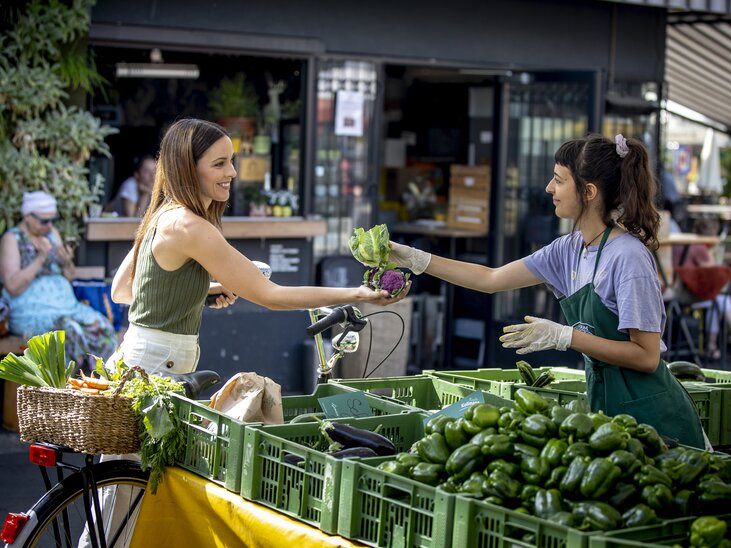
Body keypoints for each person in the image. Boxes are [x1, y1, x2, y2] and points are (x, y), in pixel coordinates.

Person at [389, 133, 706, 449]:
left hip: (660, 426)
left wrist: (566, 337)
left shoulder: (628, 258)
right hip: (612, 419)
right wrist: (417, 259)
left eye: (558, 180)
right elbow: (490, 279)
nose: (548, 189)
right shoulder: (568, 249)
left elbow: (648, 357)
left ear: (589, 192)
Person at [108, 118, 408, 376]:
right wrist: (357, 294)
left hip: (143, 361)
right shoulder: (190, 227)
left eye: (232, 161)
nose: (233, 173)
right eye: (219, 164)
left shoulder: (162, 214)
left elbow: (122, 291)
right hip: (154, 368)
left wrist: (200, 290)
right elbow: (272, 296)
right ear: (188, 169)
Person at [0, 191, 117, 368]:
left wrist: (66, 262)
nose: (49, 225)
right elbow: (13, 286)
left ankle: (99, 383)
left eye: (53, 220)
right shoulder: (12, 239)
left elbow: (69, 276)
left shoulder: (51, 234)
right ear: (27, 216)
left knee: (102, 327)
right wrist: (40, 258)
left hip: (67, 307)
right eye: (44, 221)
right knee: (70, 332)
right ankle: (67, 389)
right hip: (32, 311)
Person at [671, 218, 731, 360]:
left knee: (714, 303)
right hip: (686, 294)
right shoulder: (699, 247)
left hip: (673, 292)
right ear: (712, 234)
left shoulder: (683, 243)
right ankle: (715, 344)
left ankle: (711, 346)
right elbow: (714, 274)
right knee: (723, 300)